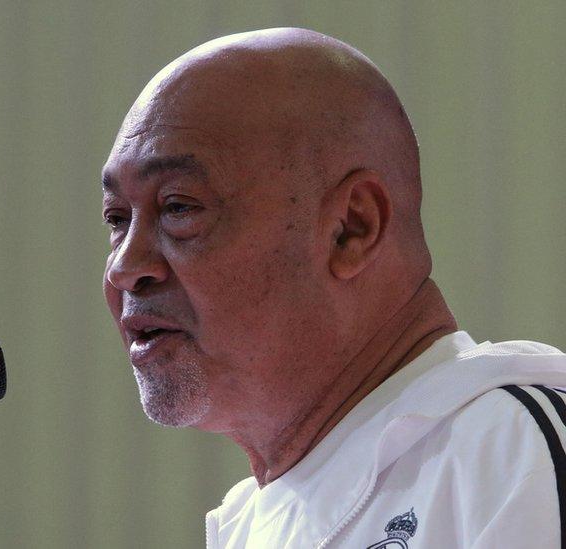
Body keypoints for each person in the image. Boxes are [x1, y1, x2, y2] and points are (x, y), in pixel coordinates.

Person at [101, 27, 566, 548]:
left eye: (179, 207)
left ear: (351, 229)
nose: (125, 268)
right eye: (117, 218)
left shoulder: (511, 456)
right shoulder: (251, 527)